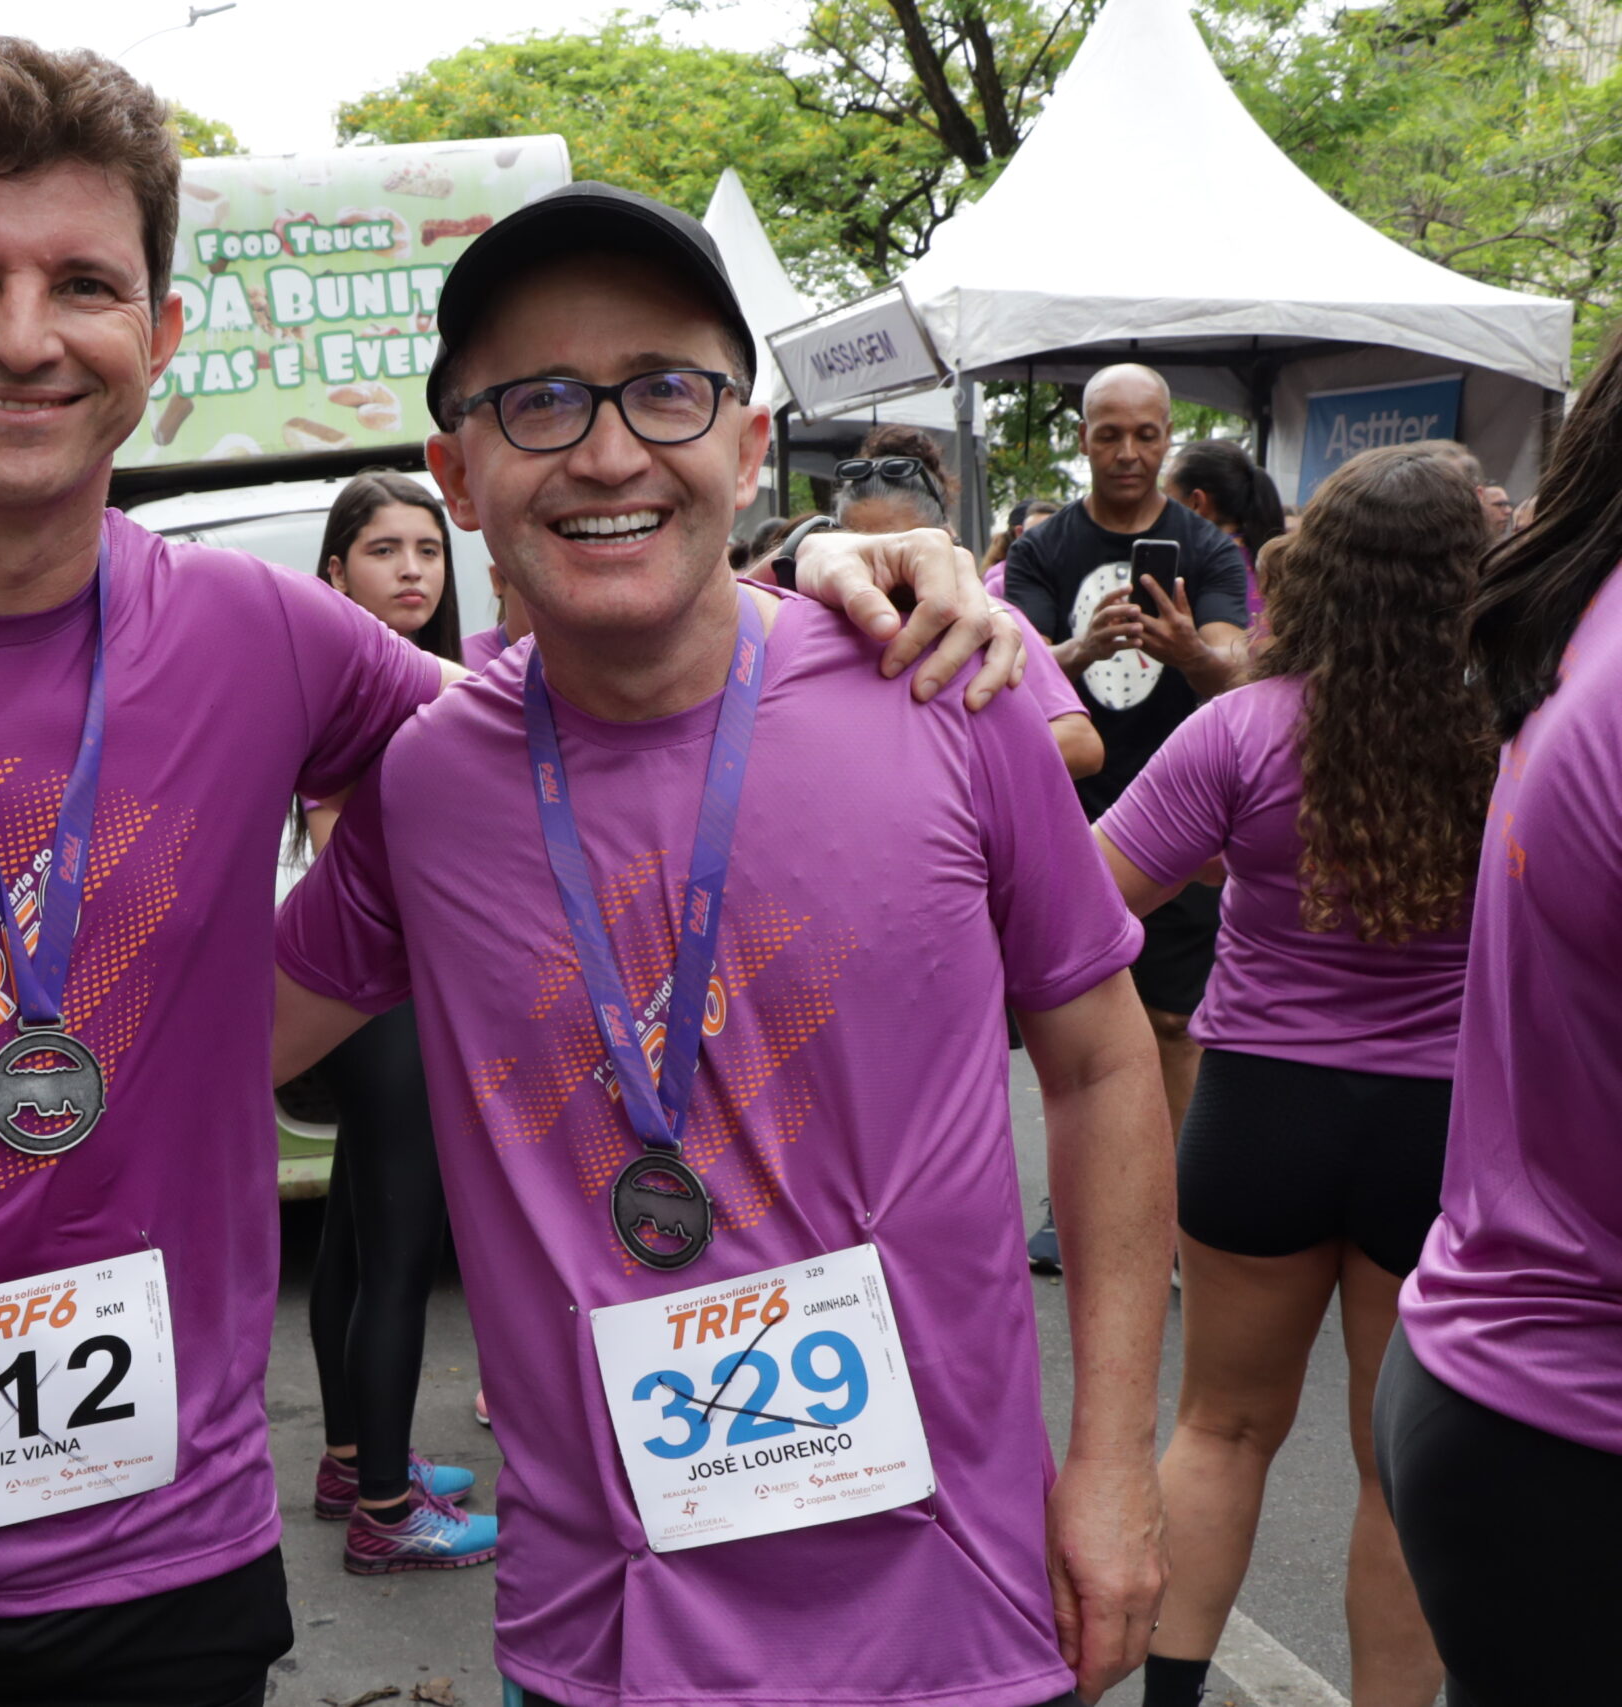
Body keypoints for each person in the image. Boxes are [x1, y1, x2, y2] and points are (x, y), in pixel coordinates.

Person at [0, 36, 1029, 1707]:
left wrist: (821, 567)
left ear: (157, 341)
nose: (26, 335)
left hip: (160, 1585)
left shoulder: (272, 645)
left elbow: (604, 718)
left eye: (85, 284)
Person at [274, 181, 1173, 1707]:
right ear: (459, 475)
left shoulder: (944, 685)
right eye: (539, 400)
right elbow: (192, 1054)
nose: (609, 447)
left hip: (954, 1611)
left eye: (664, 388)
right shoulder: (429, 784)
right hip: (600, 1635)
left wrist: (1112, 1463)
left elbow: (1100, 1066)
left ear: (748, 443)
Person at [1094, 444, 1494, 1707]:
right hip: (1439, 1128)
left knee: (1219, 1426)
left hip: (1259, 1111)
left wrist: (1247, 871)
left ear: (1307, 574)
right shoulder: (1518, 733)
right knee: (1396, 1469)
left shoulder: (1240, 728)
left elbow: (1091, 903)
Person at [1375, 325, 1622, 1707]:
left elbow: (1094, 910)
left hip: (1485, 1314)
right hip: (1558, 1400)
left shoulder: (1582, 623)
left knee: (1233, 1425)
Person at [1003, 364, 1250, 1272]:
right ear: (1082, 439)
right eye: (1110, 433)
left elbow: (1233, 658)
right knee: (1071, 1018)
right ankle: (1079, 1203)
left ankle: (1174, 1215)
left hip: (1184, 819)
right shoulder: (1042, 549)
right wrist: (1080, 647)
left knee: (1177, 1022)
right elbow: (1014, 663)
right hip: (1068, 814)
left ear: (1168, 433)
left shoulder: (1208, 548)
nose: (1129, 452)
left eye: (1146, 433)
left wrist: (1194, 650)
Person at [299, 472, 495, 1572]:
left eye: (427, 548)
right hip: (385, 992)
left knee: (352, 1238)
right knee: (398, 1252)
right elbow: (341, 852)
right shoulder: (358, 687)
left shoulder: (422, 681)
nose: (413, 567)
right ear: (335, 571)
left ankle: (348, 1458)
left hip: (383, 993)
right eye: (383, 549)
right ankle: (385, 1510)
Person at [830, 430, 1101, 782]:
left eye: (907, 552)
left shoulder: (991, 621)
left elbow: (1081, 746)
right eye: (863, 553)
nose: (884, 570)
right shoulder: (820, 623)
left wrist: (941, 762)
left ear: (948, 539)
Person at [1164, 438, 1283, 624]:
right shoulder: (1276, 563)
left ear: (1197, 503)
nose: (1163, 513)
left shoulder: (1197, 570)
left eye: (1168, 502)